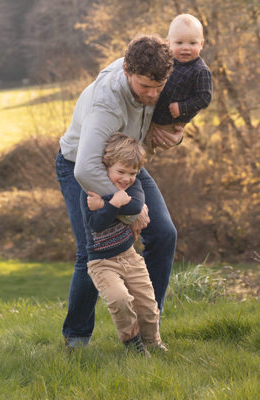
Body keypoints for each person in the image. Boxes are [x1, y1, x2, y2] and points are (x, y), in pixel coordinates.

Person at [55, 35, 179, 348]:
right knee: (91, 250)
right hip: (81, 166)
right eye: (144, 87)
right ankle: (77, 339)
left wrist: (179, 129)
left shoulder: (155, 66)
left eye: (158, 87)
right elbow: (86, 169)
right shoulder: (107, 103)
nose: (152, 94)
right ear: (126, 70)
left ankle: (147, 330)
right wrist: (130, 209)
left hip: (125, 166)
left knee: (164, 234)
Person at [84, 133, 166, 355]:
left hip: (130, 257)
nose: (126, 178)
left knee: (148, 305)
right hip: (102, 263)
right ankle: (133, 344)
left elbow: (136, 205)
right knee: (120, 300)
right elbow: (96, 224)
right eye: (121, 172)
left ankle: (153, 343)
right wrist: (112, 204)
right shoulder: (90, 191)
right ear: (106, 166)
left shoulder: (134, 186)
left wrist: (106, 203)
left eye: (132, 173)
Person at [148, 14, 212, 150]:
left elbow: (204, 97)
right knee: (135, 140)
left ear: (201, 44)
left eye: (192, 43)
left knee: (145, 146)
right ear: (168, 43)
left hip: (170, 122)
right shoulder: (167, 60)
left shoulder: (200, 71)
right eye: (179, 43)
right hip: (153, 113)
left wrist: (182, 107)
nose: (186, 48)